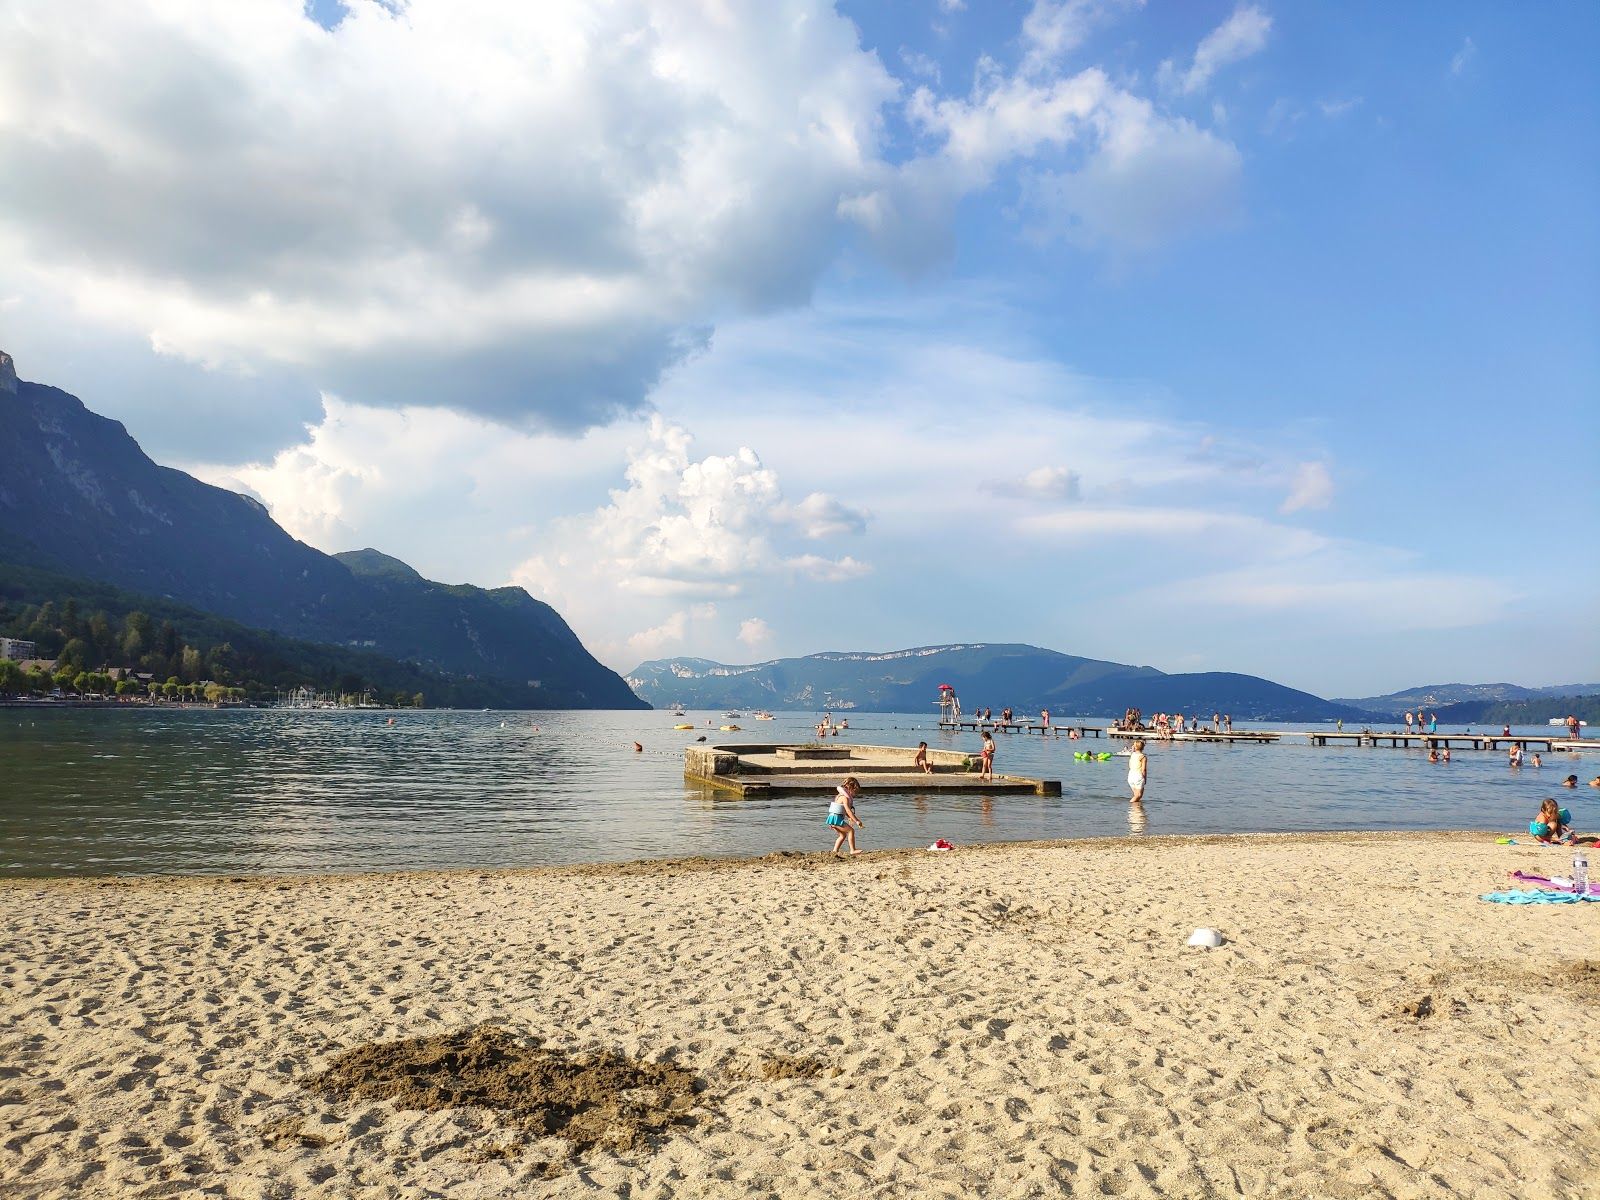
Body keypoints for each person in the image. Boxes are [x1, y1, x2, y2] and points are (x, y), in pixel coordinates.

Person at [825, 777, 864, 855]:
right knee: (851, 831)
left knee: (842, 835)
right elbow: (848, 810)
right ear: (849, 788)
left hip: (832, 818)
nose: (855, 794)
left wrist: (849, 817)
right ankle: (852, 850)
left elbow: (841, 810)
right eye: (855, 791)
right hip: (836, 819)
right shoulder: (844, 798)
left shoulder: (839, 796)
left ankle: (835, 851)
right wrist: (856, 821)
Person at [1127, 738, 1148, 804]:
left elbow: (1129, 765)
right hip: (1138, 776)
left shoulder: (1132, 754)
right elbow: (1144, 769)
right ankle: (1130, 805)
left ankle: (1136, 808)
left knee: (1137, 795)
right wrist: (1145, 778)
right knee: (1138, 795)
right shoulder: (1143, 757)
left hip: (1131, 775)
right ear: (1143, 747)